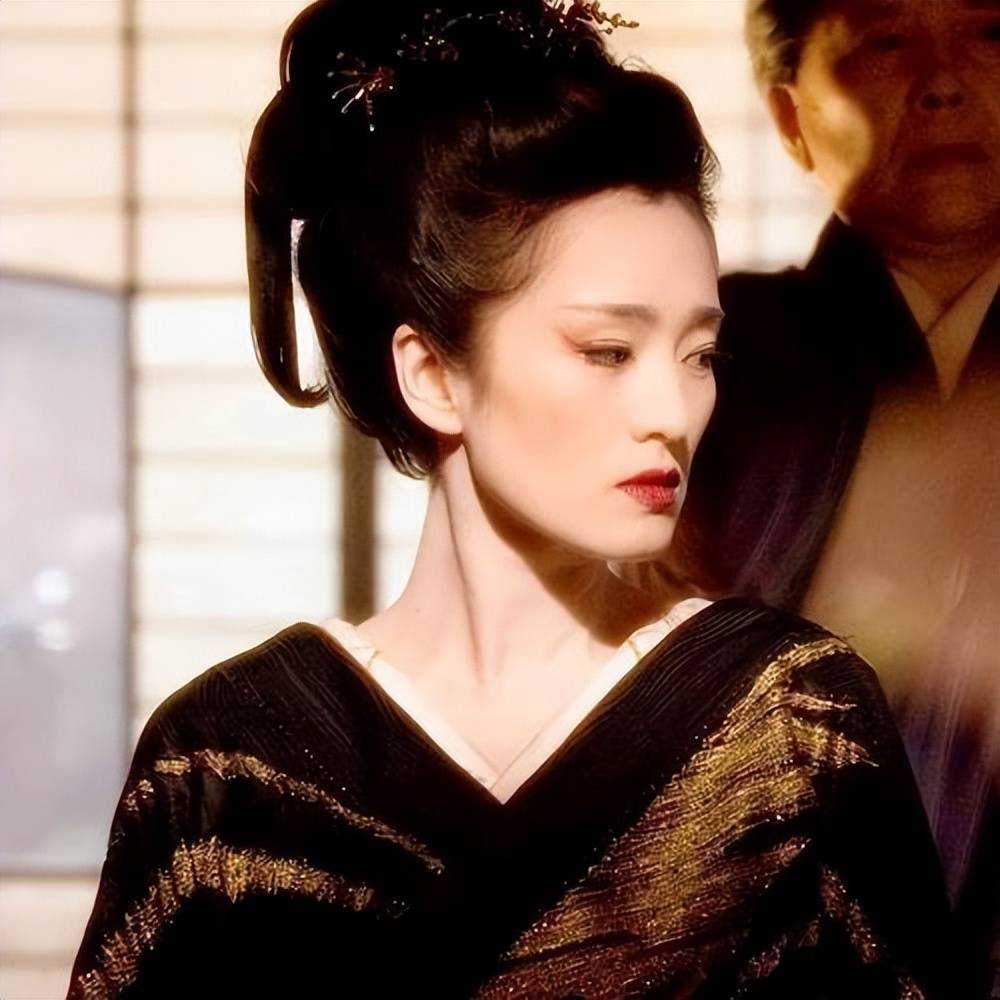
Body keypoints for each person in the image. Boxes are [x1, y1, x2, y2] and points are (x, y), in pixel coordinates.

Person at [68, 2, 953, 996]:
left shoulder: (794, 719)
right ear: (432, 374)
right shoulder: (228, 761)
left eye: (700, 354)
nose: (671, 411)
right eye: (607, 351)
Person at [679, 0, 1000, 995]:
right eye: (886, 41)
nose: (943, 83)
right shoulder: (700, 358)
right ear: (788, 117)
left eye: (992, 34)